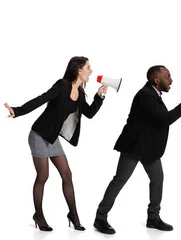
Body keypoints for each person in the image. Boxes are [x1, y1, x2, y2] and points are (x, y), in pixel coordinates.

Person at [4, 56, 107, 231]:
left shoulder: (80, 92)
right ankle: (38, 215)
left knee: (67, 175)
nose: (91, 70)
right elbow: (41, 99)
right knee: (43, 176)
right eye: (88, 67)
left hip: (52, 138)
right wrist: (18, 111)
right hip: (38, 135)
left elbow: (88, 113)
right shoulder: (62, 85)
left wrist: (99, 97)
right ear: (79, 70)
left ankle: (73, 215)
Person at [93, 65, 181, 234]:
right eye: (168, 76)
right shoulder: (145, 96)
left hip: (148, 147)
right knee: (120, 180)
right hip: (134, 146)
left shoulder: (153, 93)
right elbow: (165, 119)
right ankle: (100, 218)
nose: (171, 80)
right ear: (156, 80)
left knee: (157, 178)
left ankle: (153, 218)